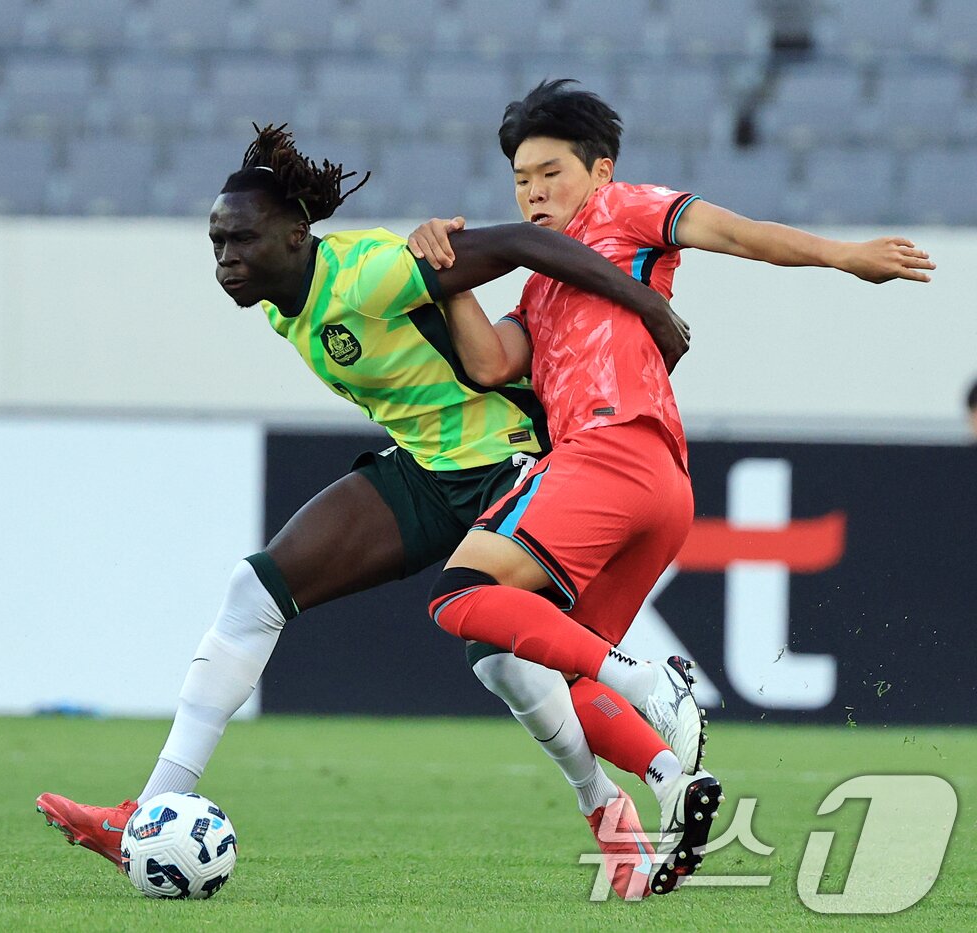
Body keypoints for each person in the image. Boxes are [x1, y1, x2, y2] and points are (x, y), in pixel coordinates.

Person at [37, 124, 696, 901]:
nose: (226, 260)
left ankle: (610, 808)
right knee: (255, 593)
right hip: (428, 470)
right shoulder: (283, 305)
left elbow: (526, 242)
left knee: (504, 659)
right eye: (216, 244)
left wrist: (647, 307)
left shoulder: (370, 274)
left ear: (295, 234)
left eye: (241, 240)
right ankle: (147, 810)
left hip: (511, 459)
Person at [413, 79, 935, 895]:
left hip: (607, 452)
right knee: (535, 661)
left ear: (600, 170)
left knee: (460, 593)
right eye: (520, 179)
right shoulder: (540, 286)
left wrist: (843, 256)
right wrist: (450, 273)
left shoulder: (624, 211)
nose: (534, 192)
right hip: (660, 486)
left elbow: (738, 233)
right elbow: (488, 363)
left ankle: (648, 678)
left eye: (550, 173)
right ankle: (671, 782)